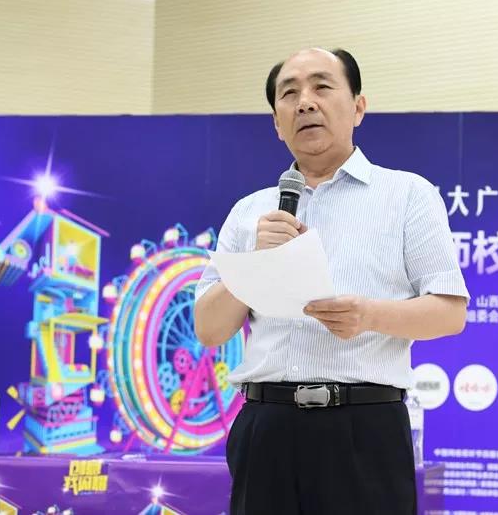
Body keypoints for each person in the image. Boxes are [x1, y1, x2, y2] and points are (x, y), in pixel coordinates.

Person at [194, 47, 470, 515]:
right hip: (265, 427)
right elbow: (209, 328)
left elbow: (450, 313)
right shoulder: (249, 212)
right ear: (277, 123)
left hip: (364, 428)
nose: (305, 102)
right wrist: (255, 261)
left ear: (358, 107)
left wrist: (369, 315)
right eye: (289, 94)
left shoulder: (407, 195)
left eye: (322, 86)